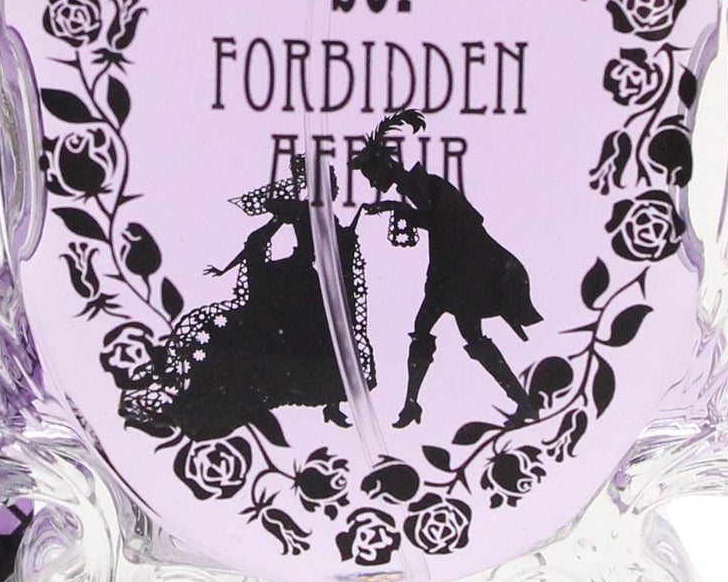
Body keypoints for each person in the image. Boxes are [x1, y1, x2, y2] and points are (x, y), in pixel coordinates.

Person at [122, 157, 375, 442]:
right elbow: (260, 237)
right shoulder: (300, 209)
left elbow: (281, 238)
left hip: (303, 276)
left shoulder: (316, 214)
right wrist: (228, 267)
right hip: (297, 276)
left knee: (293, 323)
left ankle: (327, 392)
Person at [350, 107, 542, 427]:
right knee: (434, 331)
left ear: (385, 167)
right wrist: (397, 207)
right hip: (449, 278)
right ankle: (413, 405)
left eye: (371, 176)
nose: (372, 182)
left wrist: (400, 210)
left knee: (456, 334)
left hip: (460, 279)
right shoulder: (415, 187)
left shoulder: (426, 185)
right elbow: (437, 219)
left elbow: (455, 220)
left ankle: (522, 403)